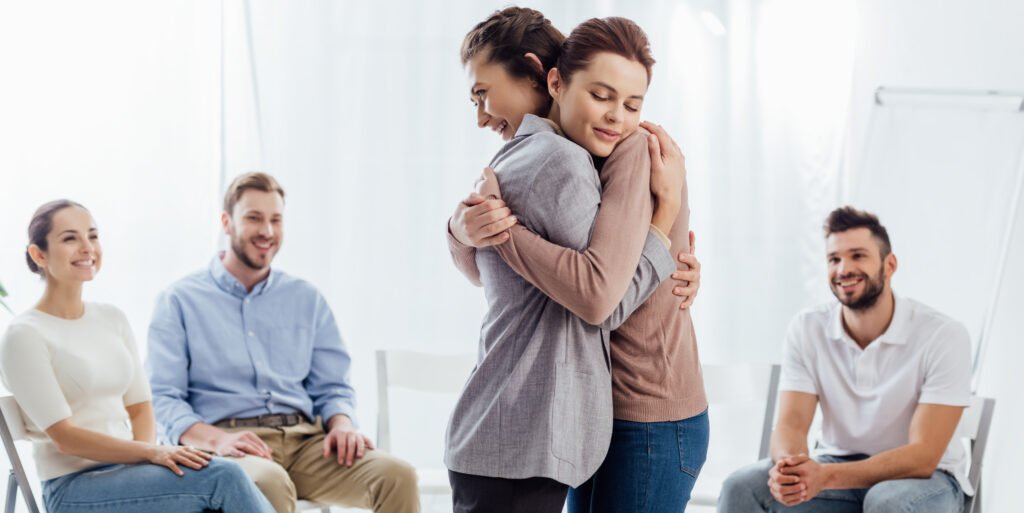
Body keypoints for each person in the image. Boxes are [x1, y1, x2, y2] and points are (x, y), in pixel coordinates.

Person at [444, 10, 698, 513]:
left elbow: (597, 295)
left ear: (540, 72)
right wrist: (463, 226)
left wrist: (669, 227)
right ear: (557, 81)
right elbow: (500, 279)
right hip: (571, 417)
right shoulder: (556, 156)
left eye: (631, 103)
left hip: (641, 410)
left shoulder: (602, 154)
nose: (617, 116)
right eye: (601, 96)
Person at [147, 173, 419, 513]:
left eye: (276, 219)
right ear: (226, 222)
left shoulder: (306, 299)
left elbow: (333, 385)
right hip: (233, 445)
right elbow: (163, 398)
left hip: (308, 443)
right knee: (266, 483)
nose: (268, 231)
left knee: (397, 476)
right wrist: (217, 440)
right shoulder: (179, 300)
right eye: (254, 218)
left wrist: (342, 423)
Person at [0, 199, 273, 513]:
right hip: (72, 488)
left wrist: (146, 462)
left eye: (93, 235)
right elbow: (65, 438)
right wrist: (150, 454)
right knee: (223, 477)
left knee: (221, 482)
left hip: (130, 471)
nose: (87, 247)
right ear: (39, 254)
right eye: (70, 238)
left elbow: (141, 408)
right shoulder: (24, 335)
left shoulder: (111, 318)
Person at [718, 206, 972, 513]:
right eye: (834, 259)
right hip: (837, 466)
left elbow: (923, 456)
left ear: (889, 264)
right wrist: (792, 469)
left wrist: (825, 477)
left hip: (928, 480)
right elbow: (791, 424)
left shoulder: (942, 335)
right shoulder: (807, 328)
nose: (843, 269)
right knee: (742, 488)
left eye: (858, 255)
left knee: (887, 502)